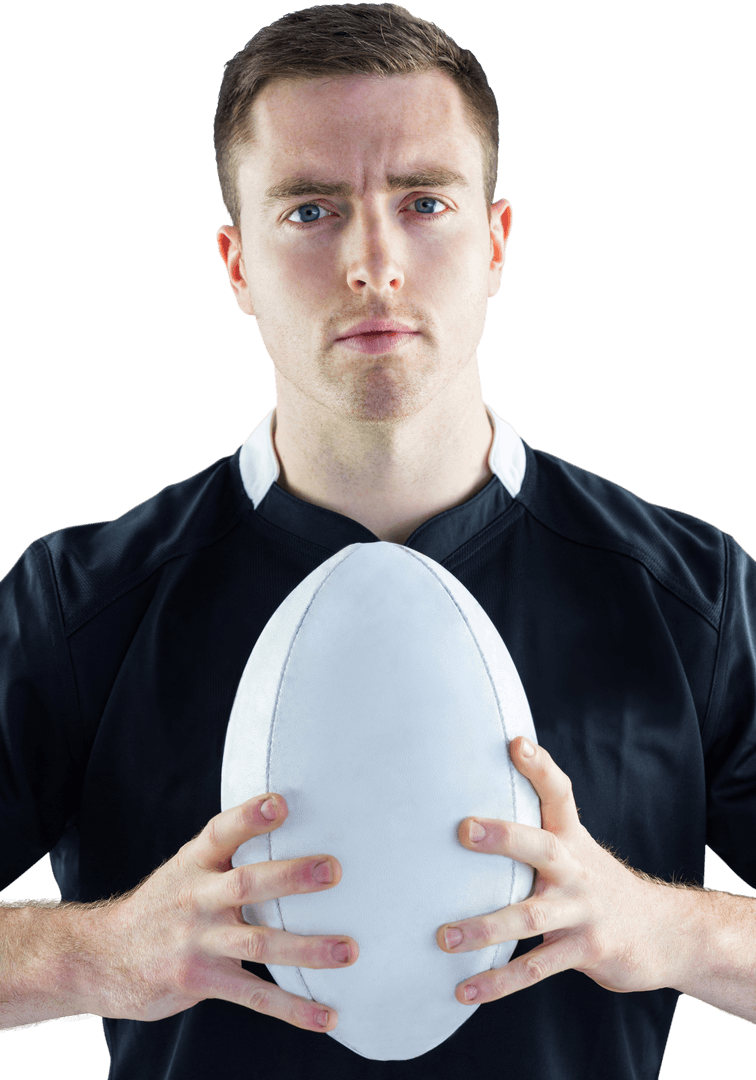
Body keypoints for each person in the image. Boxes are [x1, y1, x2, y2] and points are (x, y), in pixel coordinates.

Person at [1, 4, 754, 1077]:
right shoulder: (77, 606)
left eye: (424, 201)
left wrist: (672, 929)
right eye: (310, 209)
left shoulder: (693, 597)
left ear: (495, 243)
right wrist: (93, 954)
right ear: (237, 267)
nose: (373, 261)